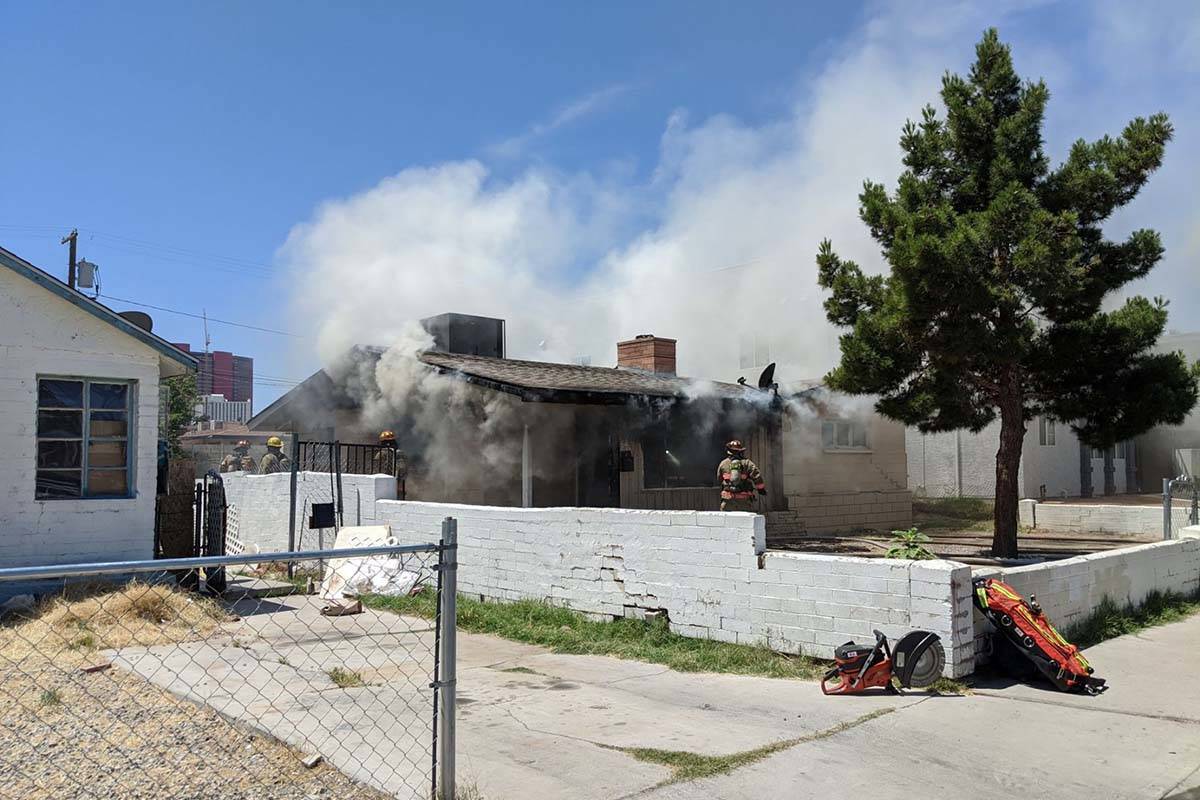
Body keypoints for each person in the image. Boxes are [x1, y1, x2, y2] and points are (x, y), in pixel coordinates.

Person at [717, 439, 766, 512]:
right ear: (741, 452)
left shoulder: (723, 463)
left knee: (727, 522)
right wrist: (761, 490)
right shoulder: (747, 463)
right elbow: (757, 476)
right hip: (744, 503)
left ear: (729, 452)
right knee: (745, 522)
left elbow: (719, 479)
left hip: (728, 502)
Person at [372, 430, 409, 498]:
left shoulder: (382, 453)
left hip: (385, 486)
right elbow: (405, 470)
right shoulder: (401, 453)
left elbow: (376, 468)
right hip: (399, 485)